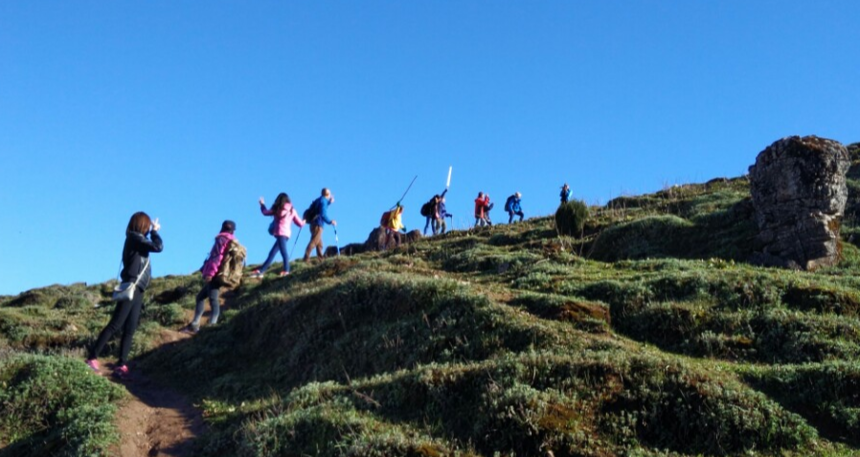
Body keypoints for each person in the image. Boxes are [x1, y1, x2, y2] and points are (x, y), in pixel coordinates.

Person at [86, 212, 163, 379]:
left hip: (138, 289)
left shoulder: (138, 240)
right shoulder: (134, 238)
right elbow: (158, 247)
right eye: (148, 225)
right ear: (142, 224)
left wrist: (151, 233)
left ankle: (121, 363)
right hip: (132, 286)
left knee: (130, 328)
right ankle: (92, 357)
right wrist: (155, 232)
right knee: (116, 324)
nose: (149, 227)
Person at [182, 221, 236, 334]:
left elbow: (216, 257)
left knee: (213, 299)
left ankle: (211, 325)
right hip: (222, 273)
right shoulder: (232, 241)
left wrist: (210, 274)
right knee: (201, 297)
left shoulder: (221, 239)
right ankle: (196, 324)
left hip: (215, 274)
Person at [252, 193, 305, 277]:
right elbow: (300, 224)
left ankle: (286, 270)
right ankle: (262, 270)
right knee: (273, 252)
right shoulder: (292, 210)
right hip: (286, 234)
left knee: (282, 252)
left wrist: (262, 204)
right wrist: (304, 221)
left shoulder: (276, 209)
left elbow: (265, 212)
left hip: (279, 233)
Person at [303, 188, 336, 263]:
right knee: (314, 242)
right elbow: (323, 214)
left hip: (313, 223)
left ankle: (321, 259)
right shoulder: (323, 201)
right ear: (327, 194)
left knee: (319, 244)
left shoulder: (319, 200)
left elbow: (320, 208)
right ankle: (306, 258)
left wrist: (329, 202)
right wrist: (330, 221)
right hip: (318, 224)